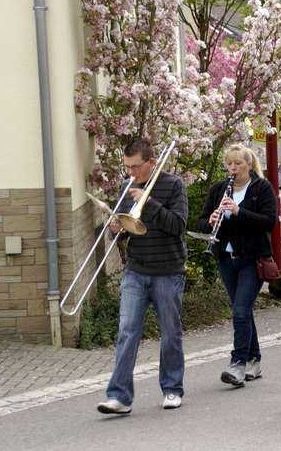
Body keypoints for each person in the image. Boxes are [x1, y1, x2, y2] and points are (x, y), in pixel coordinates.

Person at [97, 139, 188, 414]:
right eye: (127, 167)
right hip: (136, 270)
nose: (131, 173)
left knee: (170, 333)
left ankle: (172, 389)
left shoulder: (174, 185)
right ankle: (119, 397)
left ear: (151, 162)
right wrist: (115, 229)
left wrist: (148, 203)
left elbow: (178, 226)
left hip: (167, 271)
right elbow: (125, 229)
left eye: (135, 167)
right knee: (127, 331)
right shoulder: (127, 187)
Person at [197, 144, 277, 387]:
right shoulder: (219, 189)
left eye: (238, 163)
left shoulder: (261, 188)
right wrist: (211, 220)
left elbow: (269, 222)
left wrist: (239, 211)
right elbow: (201, 221)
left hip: (252, 259)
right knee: (243, 310)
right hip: (226, 258)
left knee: (240, 311)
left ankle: (238, 364)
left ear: (249, 165)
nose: (233, 168)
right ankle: (254, 359)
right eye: (229, 164)